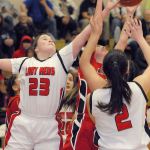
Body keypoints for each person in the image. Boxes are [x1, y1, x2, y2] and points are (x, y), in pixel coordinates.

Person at [2, 1, 103, 149]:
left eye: (51, 39)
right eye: (44, 38)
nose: (50, 39)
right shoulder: (24, 62)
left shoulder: (61, 59)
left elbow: (84, 34)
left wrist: (102, 8)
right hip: (24, 121)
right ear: (35, 48)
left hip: (49, 125)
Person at [80, 0, 150, 149]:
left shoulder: (94, 95)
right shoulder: (137, 89)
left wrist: (95, 33)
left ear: (104, 71)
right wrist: (140, 38)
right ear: (127, 70)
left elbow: (83, 63)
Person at [58, 68, 78, 144]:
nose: (67, 82)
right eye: (65, 79)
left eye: (70, 79)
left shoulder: (78, 104)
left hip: (70, 143)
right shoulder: (53, 103)